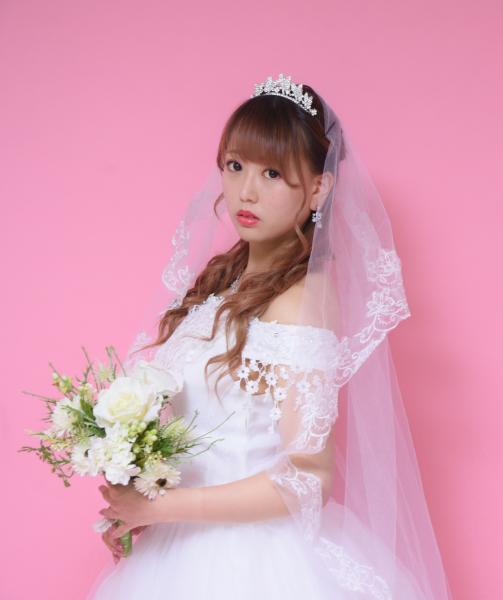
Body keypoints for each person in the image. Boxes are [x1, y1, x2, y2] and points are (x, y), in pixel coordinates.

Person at [84, 73, 453, 600]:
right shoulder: (226, 282)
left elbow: (308, 478)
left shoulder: (299, 301)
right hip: (181, 548)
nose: (247, 191)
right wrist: (137, 483)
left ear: (319, 188)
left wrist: (159, 508)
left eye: (273, 173)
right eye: (235, 166)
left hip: (255, 563)